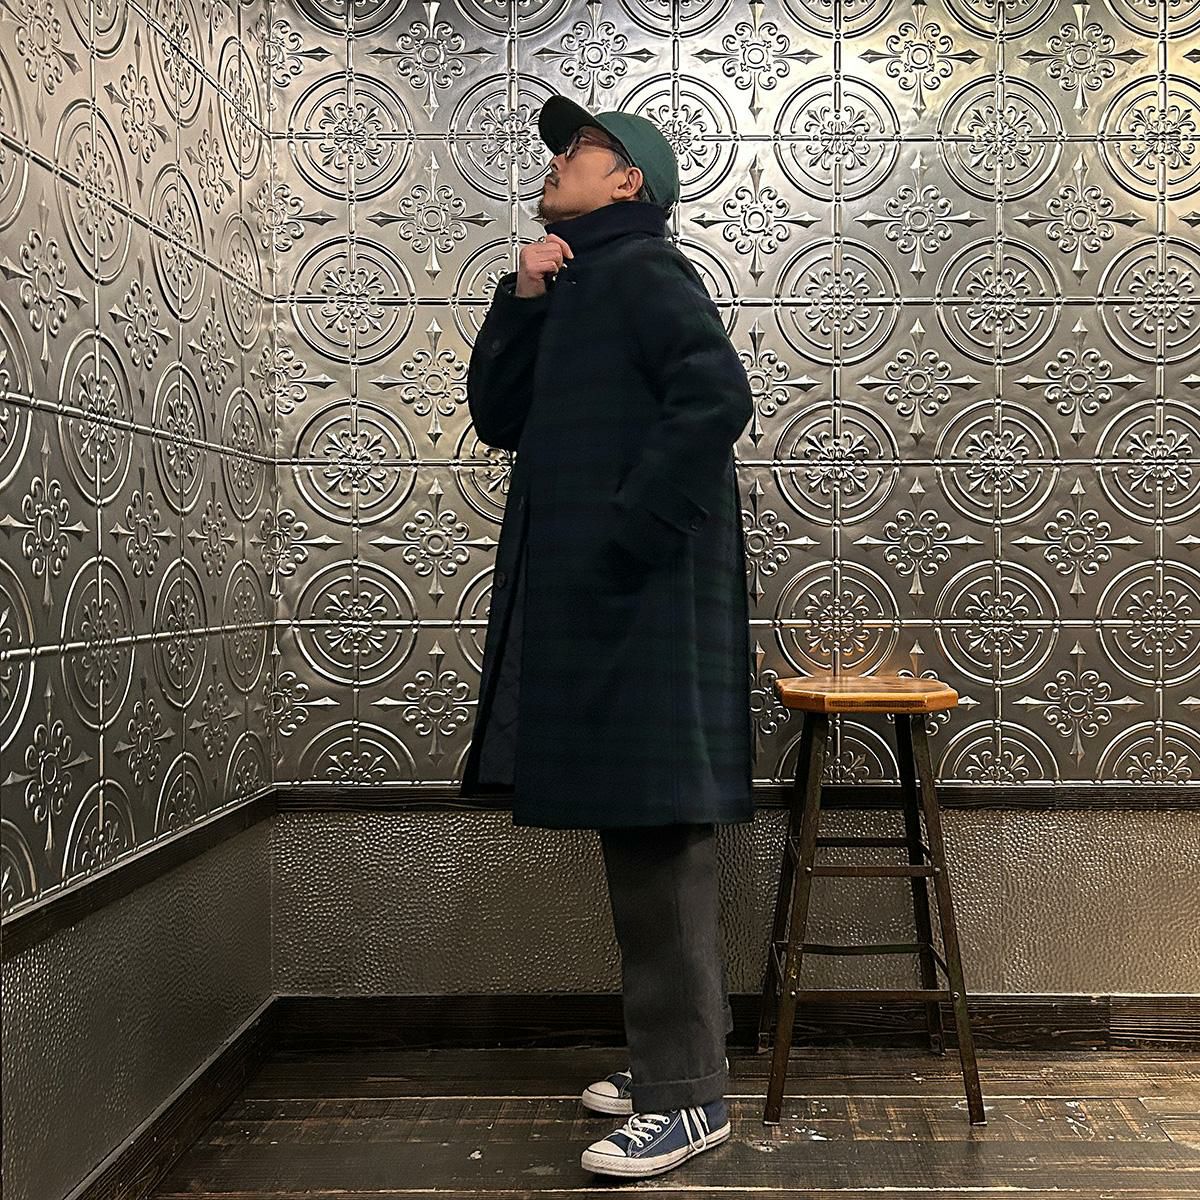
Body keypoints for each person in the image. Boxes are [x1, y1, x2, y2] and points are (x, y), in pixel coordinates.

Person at [460, 93, 755, 1179]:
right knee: (639, 831)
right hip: (610, 600)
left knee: (658, 832)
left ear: (628, 181)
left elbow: (716, 397)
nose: (556, 164)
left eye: (579, 151)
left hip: (645, 599)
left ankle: (689, 1099)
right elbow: (500, 417)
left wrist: (629, 535)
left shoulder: (642, 271)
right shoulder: (576, 281)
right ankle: (672, 1060)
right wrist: (524, 296)